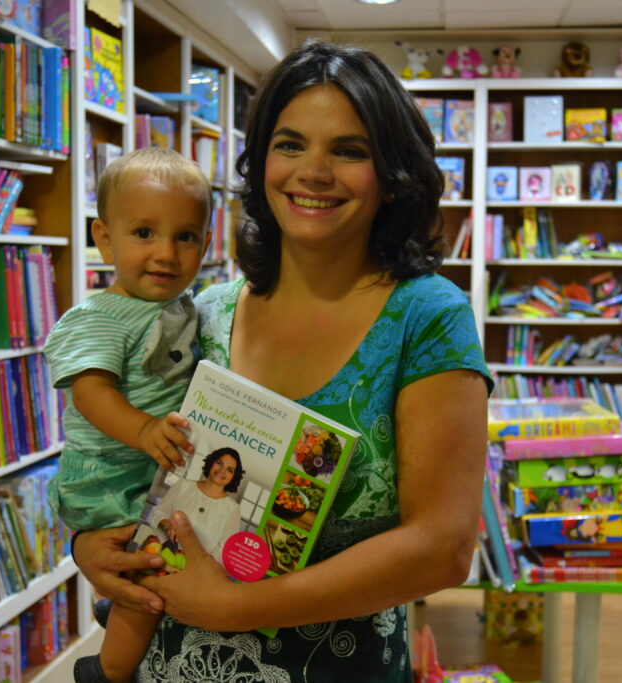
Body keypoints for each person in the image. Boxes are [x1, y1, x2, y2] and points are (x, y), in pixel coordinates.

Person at [72, 39, 491, 682]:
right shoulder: (201, 311)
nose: (313, 172)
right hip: (170, 663)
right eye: (290, 144)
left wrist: (242, 606)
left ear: (392, 173)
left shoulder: (427, 316)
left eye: (349, 150)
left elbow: (442, 548)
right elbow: (125, 456)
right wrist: (92, 548)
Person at [41, 146, 213, 683]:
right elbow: (90, 393)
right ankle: (107, 671)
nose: (165, 252)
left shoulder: (188, 305)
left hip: (153, 471)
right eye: (144, 233)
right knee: (148, 576)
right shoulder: (97, 316)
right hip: (110, 478)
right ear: (105, 239)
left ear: (205, 245)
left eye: (184, 237)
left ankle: (113, 626)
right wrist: (141, 429)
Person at [137, 447, 244, 567]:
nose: (222, 470)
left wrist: (199, 563)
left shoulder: (232, 509)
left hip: (195, 571)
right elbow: (157, 513)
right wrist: (168, 526)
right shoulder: (183, 485)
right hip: (159, 558)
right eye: (219, 463)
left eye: (230, 470)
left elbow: (224, 549)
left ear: (233, 477)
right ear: (211, 462)